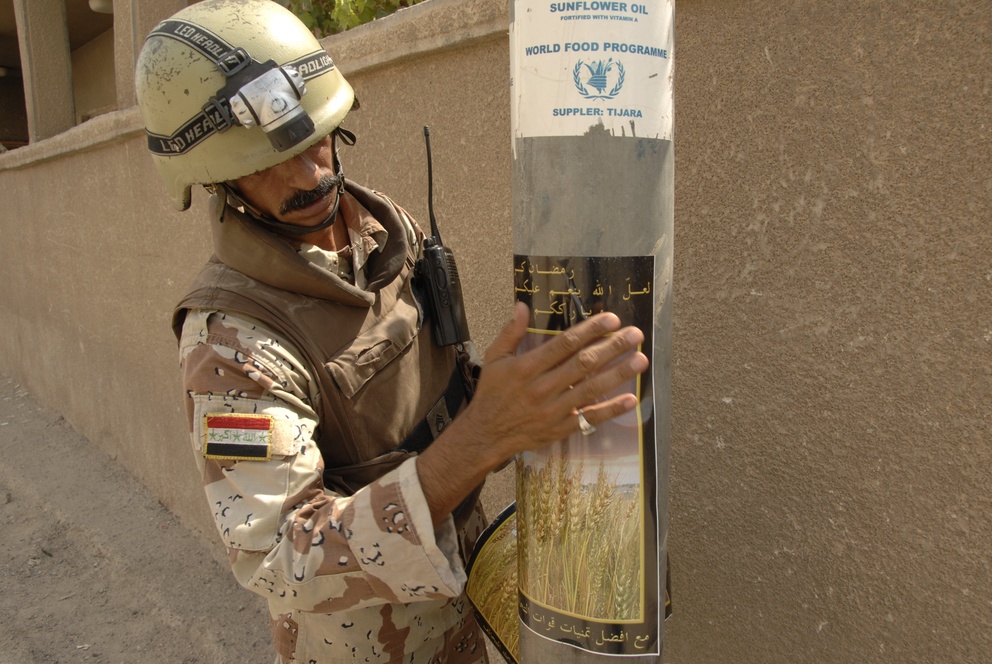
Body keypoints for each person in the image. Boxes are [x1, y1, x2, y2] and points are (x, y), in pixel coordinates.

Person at [135, 1, 647, 662]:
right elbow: (279, 556)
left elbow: (429, 398)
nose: (308, 174)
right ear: (213, 179)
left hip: (466, 603)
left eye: (311, 137)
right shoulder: (231, 343)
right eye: (264, 163)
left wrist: (519, 395)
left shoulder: (385, 231)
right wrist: (485, 435)